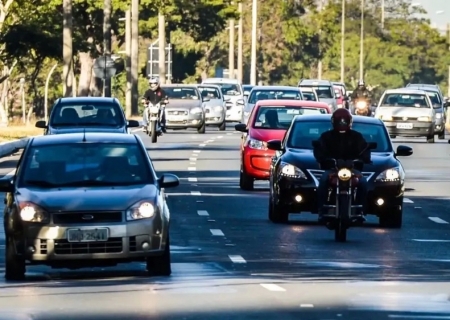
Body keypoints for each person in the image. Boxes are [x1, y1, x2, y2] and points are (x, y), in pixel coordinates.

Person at [313, 108, 371, 224]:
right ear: (334, 121)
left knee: (363, 183)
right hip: (332, 170)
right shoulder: (326, 137)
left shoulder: (357, 137)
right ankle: (321, 209)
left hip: (352, 170)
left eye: (345, 121)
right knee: (323, 181)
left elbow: (364, 149)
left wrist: (363, 159)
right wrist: (326, 160)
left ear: (349, 122)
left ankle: (361, 210)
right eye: (340, 121)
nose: (342, 124)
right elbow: (319, 150)